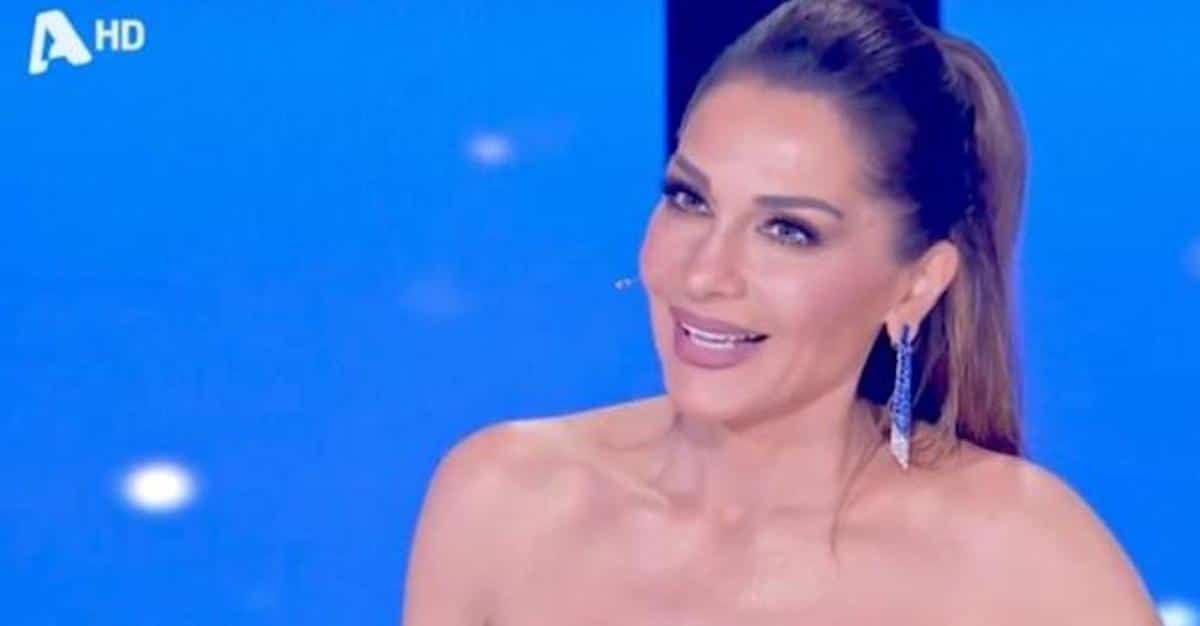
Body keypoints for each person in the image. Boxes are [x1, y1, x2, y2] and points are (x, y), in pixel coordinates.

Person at [402, 1, 1161, 624]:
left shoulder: (1026, 564)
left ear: (916, 286)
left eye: (788, 231)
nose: (705, 273)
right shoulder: (501, 506)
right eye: (689, 199)